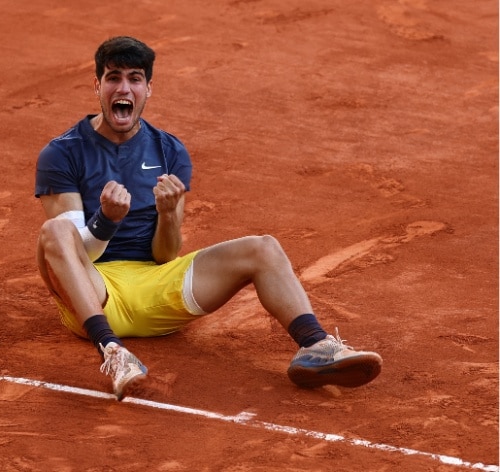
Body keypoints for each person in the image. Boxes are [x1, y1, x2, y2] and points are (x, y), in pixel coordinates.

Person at [35, 36, 382, 400]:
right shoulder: (62, 154)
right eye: (113, 77)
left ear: (148, 89)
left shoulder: (169, 150)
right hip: (93, 294)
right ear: (97, 85)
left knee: (263, 248)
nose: (124, 87)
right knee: (55, 230)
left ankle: (316, 346)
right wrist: (106, 221)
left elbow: (165, 256)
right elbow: (74, 254)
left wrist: (168, 214)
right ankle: (114, 353)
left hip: (155, 289)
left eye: (135, 78)